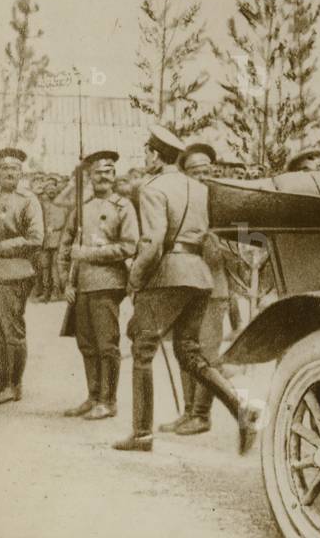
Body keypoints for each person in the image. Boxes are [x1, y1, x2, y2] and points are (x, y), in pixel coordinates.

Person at [113, 126, 258, 453]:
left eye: (147, 153)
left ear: (155, 155)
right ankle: (243, 409)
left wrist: (135, 278)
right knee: (190, 352)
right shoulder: (200, 188)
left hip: (169, 273)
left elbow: (153, 243)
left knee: (142, 349)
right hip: (200, 276)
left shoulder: (153, 187)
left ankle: (141, 434)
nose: (145, 159)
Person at [59, 150, 139, 420]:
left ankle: (108, 401)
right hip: (81, 285)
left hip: (108, 283)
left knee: (107, 345)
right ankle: (93, 397)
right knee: (86, 344)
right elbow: (65, 246)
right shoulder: (81, 209)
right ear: (90, 177)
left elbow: (129, 246)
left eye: (108, 172)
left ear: (114, 175)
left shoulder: (123, 207)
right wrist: (66, 282)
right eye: (98, 173)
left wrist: (90, 254)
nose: (103, 177)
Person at [157, 142, 229, 436]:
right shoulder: (181, 202)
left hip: (213, 288)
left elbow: (235, 247)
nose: (202, 177)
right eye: (195, 172)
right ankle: (188, 412)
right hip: (185, 286)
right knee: (185, 350)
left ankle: (201, 415)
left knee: (206, 353)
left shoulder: (223, 202)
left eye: (206, 171)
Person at [0, 148, 44, 404]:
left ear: (21, 172)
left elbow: (35, 238)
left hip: (15, 271)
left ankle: (14, 386)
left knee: (12, 331)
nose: (10, 173)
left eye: (14, 168)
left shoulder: (28, 200)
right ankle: (0, 382)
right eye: (5, 168)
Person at [37, 174, 70, 302]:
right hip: (45, 240)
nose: (51, 189)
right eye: (48, 187)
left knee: (55, 266)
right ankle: (46, 292)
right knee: (45, 266)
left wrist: (53, 227)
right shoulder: (42, 203)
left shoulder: (61, 203)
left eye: (53, 187)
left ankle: (56, 292)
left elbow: (62, 220)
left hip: (57, 239)